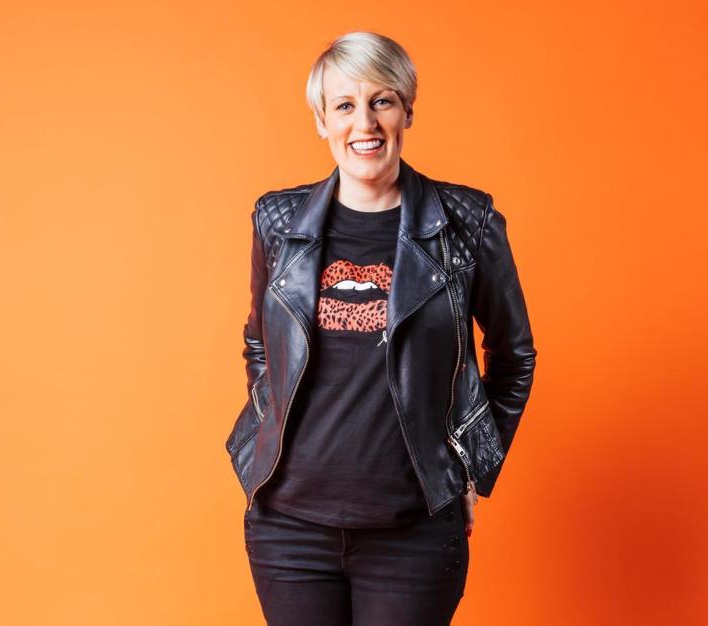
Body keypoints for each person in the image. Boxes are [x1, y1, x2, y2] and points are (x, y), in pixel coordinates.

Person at [224, 31, 537, 626]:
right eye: (344, 105)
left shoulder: (466, 223)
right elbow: (259, 341)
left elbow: (514, 354)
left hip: (414, 531)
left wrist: (469, 465)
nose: (364, 123)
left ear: (407, 111)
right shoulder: (278, 221)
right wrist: (266, 436)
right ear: (322, 120)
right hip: (289, 529)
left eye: (382, 101)